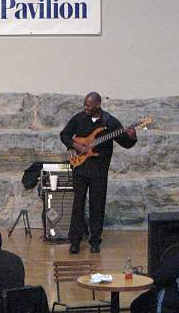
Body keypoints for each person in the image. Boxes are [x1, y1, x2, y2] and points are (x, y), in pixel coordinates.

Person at [60, 92, 137, 254]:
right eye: (85, 104)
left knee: (97, 205)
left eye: (88, 105)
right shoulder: (79, 118)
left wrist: (132, 137)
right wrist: (76, 145)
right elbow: (64, 135)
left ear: (98, 105)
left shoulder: (110, 122)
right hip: (80, 168)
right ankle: (75, 241)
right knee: (78, 204)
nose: (85, 107)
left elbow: (126, 143)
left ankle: (95, 241)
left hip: (99, 170)